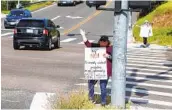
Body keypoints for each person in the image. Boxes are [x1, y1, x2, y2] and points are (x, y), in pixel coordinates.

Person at [80, 29, 112, 106]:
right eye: (102, 41)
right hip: (95, 70)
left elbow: (114, 58)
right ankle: (91, 98)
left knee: (103, 86)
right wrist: (83, 35)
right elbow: (88, 44)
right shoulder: (96, 46)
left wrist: (108, 56)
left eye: (104, 41)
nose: (103, 42)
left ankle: (103, 102)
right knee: (91, 82)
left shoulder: (111, 48)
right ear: (99, 41)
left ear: (107, 42)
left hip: (105, 71)